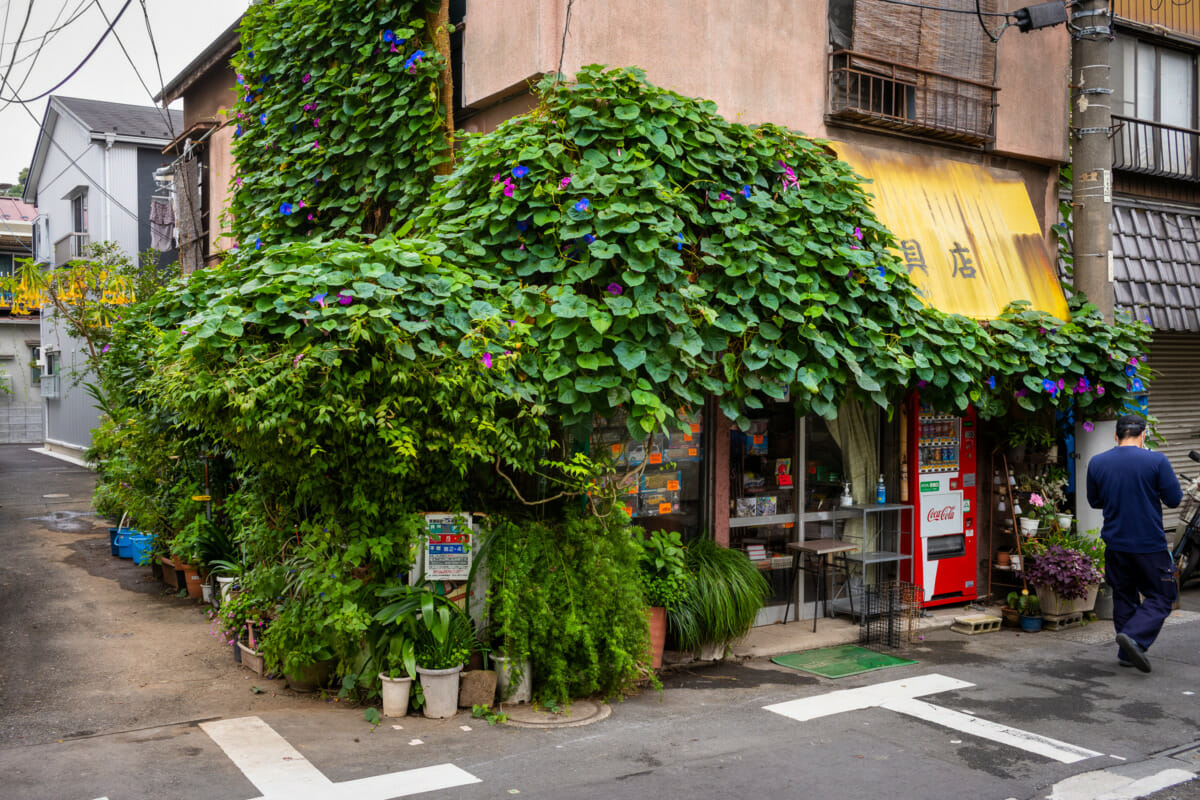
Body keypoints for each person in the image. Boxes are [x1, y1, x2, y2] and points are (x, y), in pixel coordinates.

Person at [1086, 413, 1182, 673]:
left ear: (1116, 436)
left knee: (1124, 595)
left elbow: (1094, 501)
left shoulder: (1097, 462)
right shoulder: (1156, 461)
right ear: (1143, 436)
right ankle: (1136, 638)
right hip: (1149, 545)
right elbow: (1174, 499)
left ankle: (1127, 653)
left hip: (1115, 544)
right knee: (1163, 595)